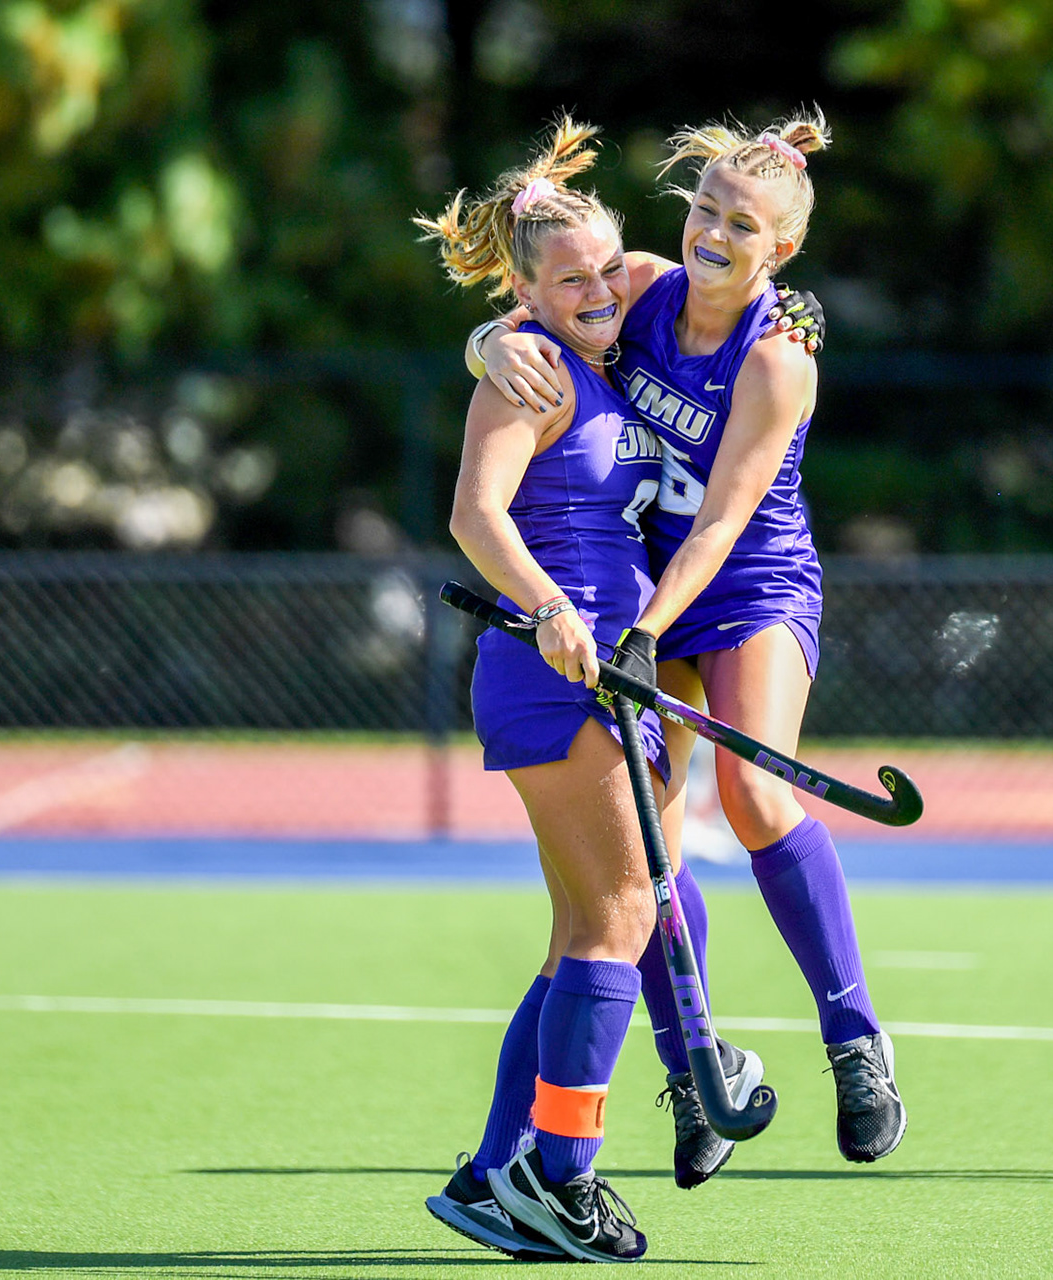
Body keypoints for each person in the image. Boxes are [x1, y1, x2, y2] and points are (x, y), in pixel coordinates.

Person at [472, 110, 907, 1168]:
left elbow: (723, 521)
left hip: (743, 587)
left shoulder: (778, 359)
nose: (714, 232)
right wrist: (484, 340)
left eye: (742, 223)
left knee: (757, 798)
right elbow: (541, 287)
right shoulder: (646, 283)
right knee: (650, 849)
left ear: (782, 249)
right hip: (642, 595)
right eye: (706, 208)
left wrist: (649, 627)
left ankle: (854, 1038)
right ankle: (692, 1069)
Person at [413, 117, 756, 1263]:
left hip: (613, 668)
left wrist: (789, 309)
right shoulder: (531, 364)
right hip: (551, 668)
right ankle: (562, 1174)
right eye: (569, 279)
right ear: (522, 287)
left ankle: (491, 1169)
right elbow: (475, 514)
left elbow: (728, 277)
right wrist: (557, 610)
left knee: (579, 933)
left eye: (610, 266)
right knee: (622, 913)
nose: (600, 288)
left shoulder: (606, 337)